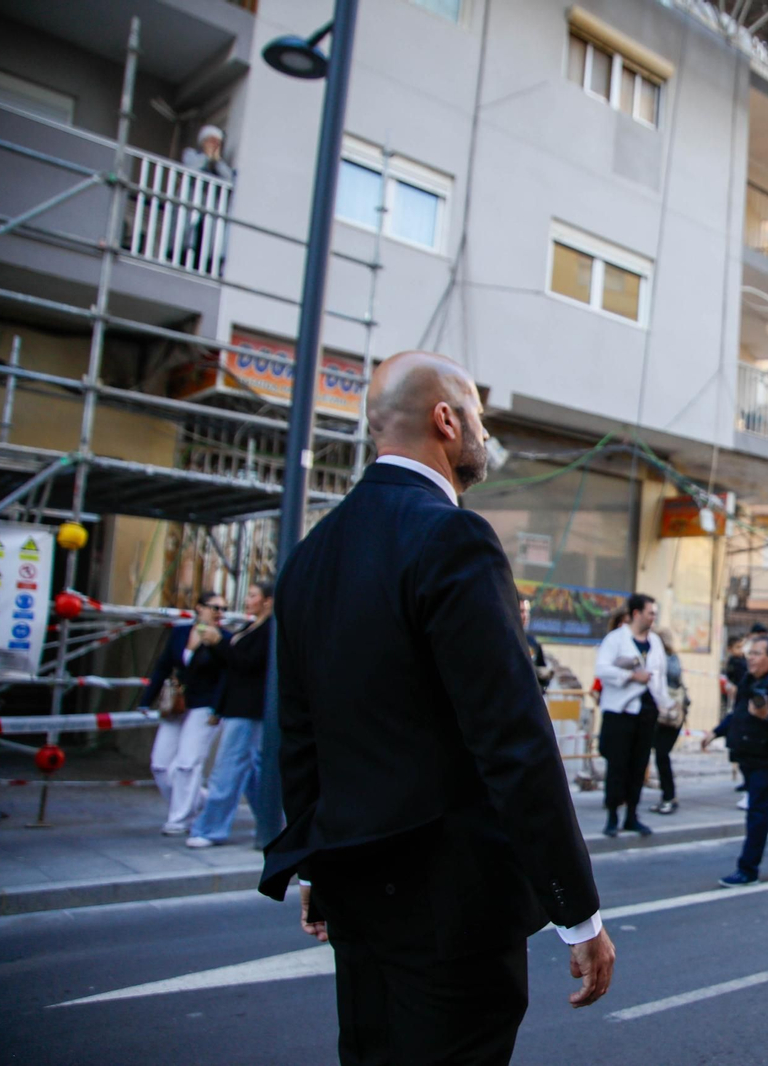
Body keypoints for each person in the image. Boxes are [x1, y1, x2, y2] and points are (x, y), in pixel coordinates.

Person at [259, 350, 614, 1063]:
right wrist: (577, 914)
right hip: (450, 898)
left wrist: (314, 866)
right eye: (478, 416)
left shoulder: (311, 553)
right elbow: (512, 740)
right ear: (446, 420)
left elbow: (299, 731)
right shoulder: (451, 536)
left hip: (355, 885)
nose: (484, 434)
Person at [703, 633, 768, 885]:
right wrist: (715, 732)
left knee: (757, 812)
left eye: (757, 653)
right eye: (750, 653)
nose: (750, 658)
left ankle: (748, 870)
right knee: (767, 811)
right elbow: (738, 715)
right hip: (748, 755)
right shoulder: (747, 680)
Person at [186, 582, 272, 849]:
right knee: (252, 774)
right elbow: (234, 664)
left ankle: (211, 828)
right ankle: (274, 824)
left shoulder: (269, 630)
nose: (247, 600)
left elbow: (248, 664)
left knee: (228, 769)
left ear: (268, 600)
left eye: (253, 595)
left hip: (249, 709)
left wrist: (220, 642)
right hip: (239, 707)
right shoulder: (251, 627)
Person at [141, 590, 229, 836]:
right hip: (177, 704)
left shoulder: (223, 639)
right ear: (199, 608)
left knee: (187, 764)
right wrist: (146, 700)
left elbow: (227, 674)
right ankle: (198, 800)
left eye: (223, 609)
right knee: (160, 764)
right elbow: (163, 666)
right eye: (215, 607)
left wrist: (218, 709)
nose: (219, 613)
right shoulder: (180, 632)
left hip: (205, 706)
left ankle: (179, 818)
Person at [595, 593, 673, 838]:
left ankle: (632, 816)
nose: (653, 617)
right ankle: (612, 816)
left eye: (655, 614)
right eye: (650, 612)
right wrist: (629, 676)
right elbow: (602, 669)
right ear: (636, 613)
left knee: (639, 765)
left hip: (647, 712)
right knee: (617, 764)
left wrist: (667, 705)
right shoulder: (616, 639)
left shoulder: (655, 642)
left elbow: (659, 677)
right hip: (620, 711)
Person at [178, 124, 235, 274]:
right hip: (193, 206)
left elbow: (229, 179)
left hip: (211, 212)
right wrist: (206, 158)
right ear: (203, 142)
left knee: (208, 241)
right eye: (211, 141)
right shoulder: (191, 154)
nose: (214, 145)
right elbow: (190, 169)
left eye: (217, 143)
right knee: (188, 237)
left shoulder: (219, 165)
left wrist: (216, 161)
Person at [649, 627, 688, 816]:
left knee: (662, 755)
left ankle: (669, 797)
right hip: (663, 712)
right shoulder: (666, 658)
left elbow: (668, 679)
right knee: (659, 755)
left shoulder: (668, 659)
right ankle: (667, 796)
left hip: (669, 713)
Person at [521, 597, 553, 692]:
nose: (525, 615)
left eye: (527, 611)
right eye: (521, 611)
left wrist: (543, 679)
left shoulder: (531, 642)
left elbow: (541, 666)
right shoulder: (504, 638)